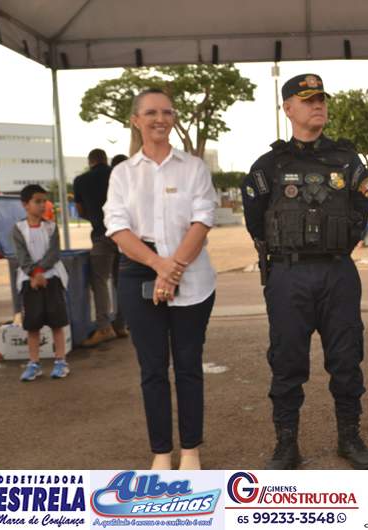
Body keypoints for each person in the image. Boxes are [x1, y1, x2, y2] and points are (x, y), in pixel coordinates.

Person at [241, 73, 368, 470]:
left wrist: (336, 243)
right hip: (288, 274)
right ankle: (286, 444)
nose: (318, 105)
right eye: (308, 99)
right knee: (286, 362)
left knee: (347, 360)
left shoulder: (348, 160)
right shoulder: (269, 164)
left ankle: (349, 437)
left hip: (337, 272)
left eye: (322, 99)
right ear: (288, 108)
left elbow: (361, 210)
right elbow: (255, 219)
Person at [104, 88, 217, 470]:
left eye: (167, 112)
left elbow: (203, 219)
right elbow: (117, 227)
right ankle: (161, 452)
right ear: (136, 120)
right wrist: (158, 265)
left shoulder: (193, 167)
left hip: (191, 268)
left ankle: (191, 450)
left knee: (188, 365)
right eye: (151, 112)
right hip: (139, 268)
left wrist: (173, 267)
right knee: (152, 368)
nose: (160, 119)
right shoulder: (123, 173)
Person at [11, 184, 70, 381]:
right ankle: (34, 363)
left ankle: (60, 361)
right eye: (37, 201)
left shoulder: (51, 227)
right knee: (32, 326)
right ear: (25, 204)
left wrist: (41, 272)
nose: (42, 205)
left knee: (57, 323)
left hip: (52, 279)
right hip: (29, 282)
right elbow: (21, 255)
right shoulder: (18, 229)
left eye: (44, 201)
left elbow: (54, 253)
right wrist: (34, 274)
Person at [74, 148, 127, 346]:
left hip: (101, 235)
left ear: (90, 162)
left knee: (100, 281)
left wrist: (96, 218)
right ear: (105, 159)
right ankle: (121, 325)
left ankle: (104, 328)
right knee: (122, 281)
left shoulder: (81, 180)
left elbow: (80, 211)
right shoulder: (118, 175)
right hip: (125, 236)